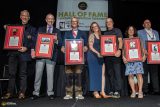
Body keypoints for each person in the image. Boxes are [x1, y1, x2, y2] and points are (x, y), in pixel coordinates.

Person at [1, 10, 36, 99]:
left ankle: (22, 93)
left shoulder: (32, 29)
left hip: (24, 54)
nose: (24, 17)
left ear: (29, 18)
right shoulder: (14, 26)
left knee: (23, 74)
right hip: (13, 52)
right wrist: (6, 27)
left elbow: (35, 42)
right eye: (23, 15)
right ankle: (9, 92)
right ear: (20, 16)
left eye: (26, 16)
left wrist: (26, 48)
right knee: (11, 74)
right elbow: (7, 27)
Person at [31, 13, 62, 100]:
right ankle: (36, 93)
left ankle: (50, 93)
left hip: (52, 56)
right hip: (40, 55)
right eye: (49, 18)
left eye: (52, 19)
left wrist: (56, 40)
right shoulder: (40, 29)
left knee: (50, 75)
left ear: (54, 20)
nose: (50, 20)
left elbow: (61, 43)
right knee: (38, 74)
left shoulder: (57, 31)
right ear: (46, 20)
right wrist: (33, 50)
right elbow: (35, 41)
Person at [61, 16, 88, 100]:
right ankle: (68, 93)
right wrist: (63, 49)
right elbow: (63, 46)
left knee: (78, 75)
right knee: (68, 75)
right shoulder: (67, 33)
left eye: (75, 21)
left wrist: (85, 48)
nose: (74, 23)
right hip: (69, 59)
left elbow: (86, 45)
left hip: (79, 59)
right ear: (71, 23)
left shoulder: (83, 33)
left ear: (78, 23)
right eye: (72, 21)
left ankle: (79, 93)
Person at [87, 22, 111, 98]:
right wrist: (97, 53)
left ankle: (102, 91)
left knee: (102, 74)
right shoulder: (91, 35)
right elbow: (90, 47)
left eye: (96, 26)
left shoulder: (102, 36)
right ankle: (95, 92)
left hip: (100, 56)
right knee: (94, 74)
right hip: (93, 56)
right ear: (91, 29)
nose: (95, 27)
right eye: (93, 27)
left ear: (98, 27)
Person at [138, 19, 160, 95]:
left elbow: (158, 43)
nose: (147, 23)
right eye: (146, 22)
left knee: (154, 73)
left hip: (154, 56)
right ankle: (145, 90)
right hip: (145, 55)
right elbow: (138, 42)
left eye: (149, 22)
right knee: (144, 73)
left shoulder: (156, 32)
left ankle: (156, 90)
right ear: (143, 25)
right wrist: (143, 50)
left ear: (151, 24)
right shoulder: (140, 32)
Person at [123, 26, 146, 98]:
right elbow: (123, 51)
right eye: (129, 29)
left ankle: (140, 91)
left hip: (138, 59)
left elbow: (142, 48)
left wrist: (144, 56)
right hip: (129, 60)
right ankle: (133, 91)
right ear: (127, 31)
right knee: (130, 75)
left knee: (139, 74)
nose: (131, 30)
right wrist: (123, 57)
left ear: (134, 31)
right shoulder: (125, 40)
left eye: (132, 29)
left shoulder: (138, 39)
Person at [103, 18, 123, 98]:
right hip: (107, 56)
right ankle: (112, 90)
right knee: (110, 74)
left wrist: (119, 50)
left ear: (113, 22)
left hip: (116, 55)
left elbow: (120, 41)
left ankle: (118, 91)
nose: (108, 23)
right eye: (107, 22)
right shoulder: (105, 33)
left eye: (110, 21)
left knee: (117, 73)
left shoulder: (117, 30)